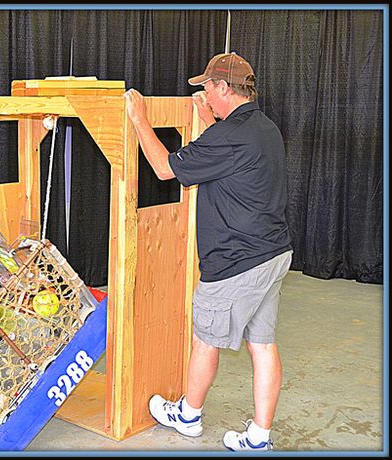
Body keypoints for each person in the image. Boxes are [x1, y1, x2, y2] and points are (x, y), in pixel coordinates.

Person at [124, 52, 293, 451]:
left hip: (236, 262)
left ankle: (188, 415)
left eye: (206, 88)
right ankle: (259, 437)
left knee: (205, 339)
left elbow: (166, 169)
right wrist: (210, 123)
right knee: (263, 345)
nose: (204, 96)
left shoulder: (228, 136)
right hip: (273, 254)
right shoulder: (263, 127)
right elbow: (226, 157)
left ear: (222, 87)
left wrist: (138, 119)